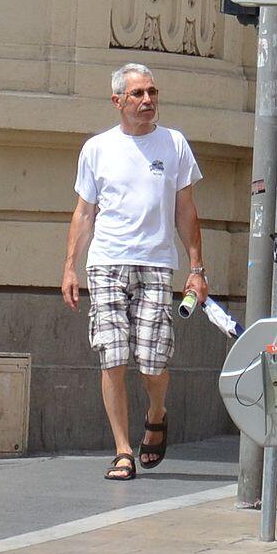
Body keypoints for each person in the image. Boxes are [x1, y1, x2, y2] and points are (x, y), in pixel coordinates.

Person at [63, 62, 209, 480]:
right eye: (138, 94)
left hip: (156, 263)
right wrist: (70, 267)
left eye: (152, 92)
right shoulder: (97, 149)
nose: (148, 100)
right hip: (106, 263)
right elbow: (84, 213)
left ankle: (157, 413)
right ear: (118, 101)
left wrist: (196, 268)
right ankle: (123, 450)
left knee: (152, 359)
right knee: (112, 357)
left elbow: (186, 210)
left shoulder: (174, 144)